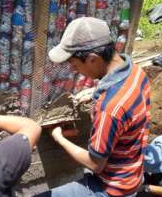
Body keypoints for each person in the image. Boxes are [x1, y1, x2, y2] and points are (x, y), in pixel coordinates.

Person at [36, 17, 150, 197]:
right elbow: (123, 100)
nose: (74, 70)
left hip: (112, 188)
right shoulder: (136, 72)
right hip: (132, 174)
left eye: (75, 65)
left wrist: (58, 137)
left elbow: (95, 164)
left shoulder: (109, 108)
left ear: (92, 59)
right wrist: (97, 91)